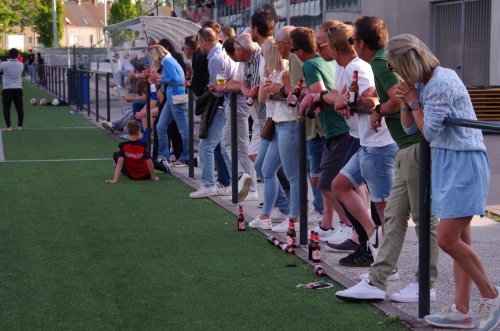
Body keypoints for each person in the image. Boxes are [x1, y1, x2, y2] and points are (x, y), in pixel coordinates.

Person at [385, 34, 498, 331]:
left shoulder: (440, 82)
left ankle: (492, 296)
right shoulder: (424, 83)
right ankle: (462, 311)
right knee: (460, 239)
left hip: (464, 162)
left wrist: (412, 100)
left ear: (406, 62)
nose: (395, 73)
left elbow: (430, 132)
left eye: (395, 66)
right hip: (450, 162)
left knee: (447, 239)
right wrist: (407, 102)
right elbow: (410, 128)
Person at [335, 16, 440, 304]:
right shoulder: (381, 60)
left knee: (422, 219)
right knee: (392, 217)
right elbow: (399, 94)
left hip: (411, 146)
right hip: (406, 148)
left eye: (351, 40)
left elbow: (399, 96)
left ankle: (424, 286)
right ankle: (377, 280)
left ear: (360, 43)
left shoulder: (381, 61)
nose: (351, 45)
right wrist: (376, 103)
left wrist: (379, 109)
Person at [252, 38, 300, 232]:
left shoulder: (286, 72)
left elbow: (294, 99)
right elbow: (262, 99)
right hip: (279, 125)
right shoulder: (274, 73)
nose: (262, 59)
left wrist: (278, 91)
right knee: (266, 169)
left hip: (289, 125)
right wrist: (265, 79)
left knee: (293, 176)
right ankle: (267, 215)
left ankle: (294, 220)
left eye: (264, 55)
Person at [189, 27, 233, 198]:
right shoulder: (220, 53)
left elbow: (218, 89)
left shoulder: (215, 58)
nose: (200, 47)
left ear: (204, 42)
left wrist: (211, 88)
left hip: (221, 105)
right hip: (225, 104)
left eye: (200, 43)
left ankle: (208, 185)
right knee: (222, 147)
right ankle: (233, 182)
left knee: (206, 145)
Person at [148, 45, 190, 169]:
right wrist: (163, 81)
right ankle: (164, 156)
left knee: (183, 129)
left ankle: (185, 157)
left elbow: (176, 78)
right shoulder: (169, 60)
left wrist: (161, 79)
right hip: (175, 96)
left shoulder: (167, 61)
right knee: (160, 126)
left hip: (176, 96)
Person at [0, 48, 24, 131]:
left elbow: (1, 72)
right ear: (17, 55)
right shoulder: (21, 64)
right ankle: (20, 126)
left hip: (7, 88)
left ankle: (8, 126)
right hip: (18, 88)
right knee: (19, 108)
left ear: (8, 55)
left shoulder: (3, 64)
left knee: (6, 108)